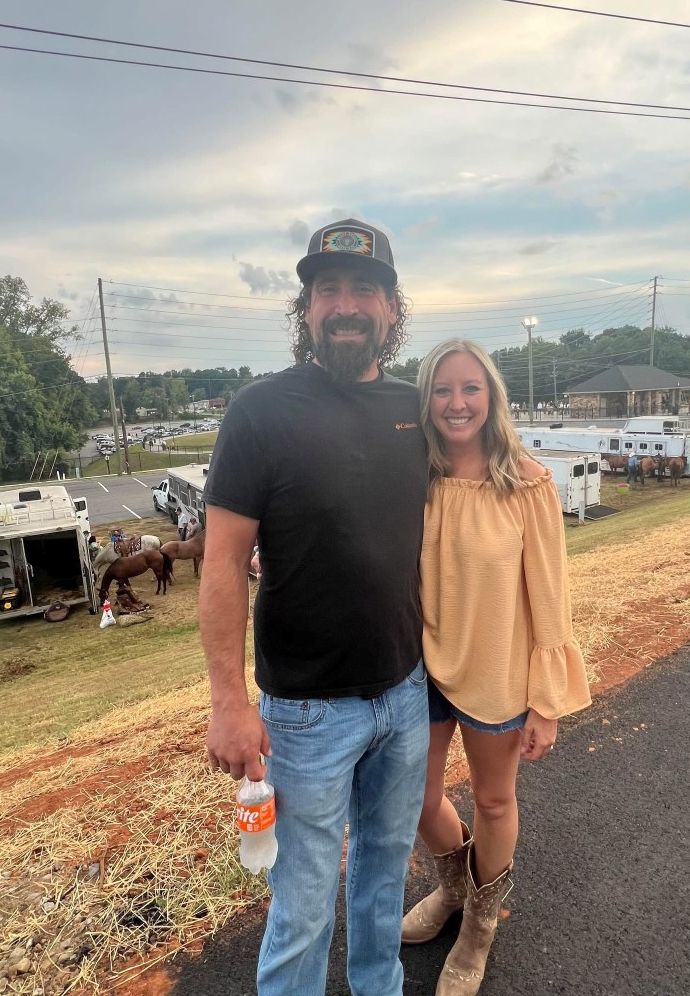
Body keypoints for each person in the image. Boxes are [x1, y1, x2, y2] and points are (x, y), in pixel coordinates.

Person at [200, 218, 429, 996]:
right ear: (306, 309)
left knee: (383, 880)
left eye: (365, 289)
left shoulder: (415, 409)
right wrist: (229, 701)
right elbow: (222, 563)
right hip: (304, 715)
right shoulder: (260, 412)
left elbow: (483, 478)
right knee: (301, 910)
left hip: (405, 693)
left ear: (392, 309)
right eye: (328, 289)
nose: (346, 305)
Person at [403, 339, 591, 996]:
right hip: (422, 668)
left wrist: (547, 701)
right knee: (416, 796)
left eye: (470, 388)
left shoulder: (528, 484)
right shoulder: (416, 476)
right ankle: (455, 886)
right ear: (426, 399)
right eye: (442, 389)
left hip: (498, 672)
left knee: (492, 799)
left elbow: (550, 597)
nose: (456, 403)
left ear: (492, 397)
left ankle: (480, 925)